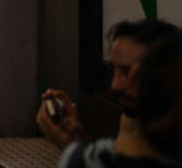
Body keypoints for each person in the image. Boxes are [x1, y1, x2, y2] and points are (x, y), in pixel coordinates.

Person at [39, 19, 182, 153]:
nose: (115, 85)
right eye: (115, 70)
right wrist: (78, 140)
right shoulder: (133, 116)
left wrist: (74, 150)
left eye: (127, 72)